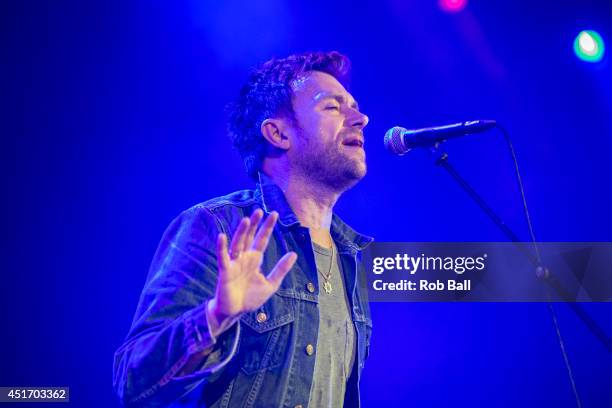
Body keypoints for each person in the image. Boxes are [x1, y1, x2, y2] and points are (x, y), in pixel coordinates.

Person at [113, 51, 373, 408]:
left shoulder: (353, 258)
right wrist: (215, 317)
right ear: (278, 132)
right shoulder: (218, 227)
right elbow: (132, 382)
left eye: (355, 107)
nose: (360, 119)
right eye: (332, 107)